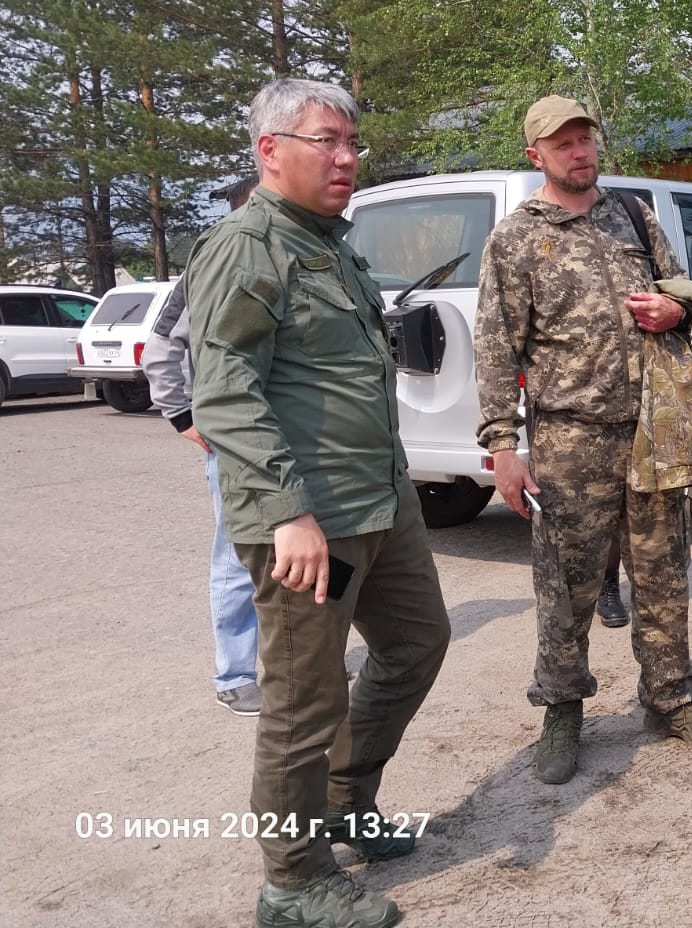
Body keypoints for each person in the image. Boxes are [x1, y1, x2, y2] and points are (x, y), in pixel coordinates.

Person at [188, 78, 452, 928]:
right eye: (325, 142)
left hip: (379, 501)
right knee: (305, 702)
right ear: (270, 151)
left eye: (351, 144)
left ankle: (345, 799)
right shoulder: (246, 246)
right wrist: (288, 514)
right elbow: (226, 392)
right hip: (312, 522)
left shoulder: (331, 245)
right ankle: (293, 880)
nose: (346, 159)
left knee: (417, 643)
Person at [475, 94, 692, 787]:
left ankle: (669, 698)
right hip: (569, 438)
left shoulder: (634, 216)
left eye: (586, 139)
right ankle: (562, 708)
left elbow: (682, 292)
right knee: (566, 583)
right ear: (536, 156)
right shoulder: (516, 238)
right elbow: (496, 346)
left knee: (663, 571)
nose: (580, 152)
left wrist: (676, 309)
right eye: (563, 144)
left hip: (654, 428)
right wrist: (503, 444)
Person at [143, 181, 261, 716]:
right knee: (238, 556)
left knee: (321, 551)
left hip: (305, 441)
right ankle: (235, 672)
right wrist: (181, 414)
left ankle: (311, 654)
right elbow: (161, 347)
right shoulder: (209, 267)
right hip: (234, 443)